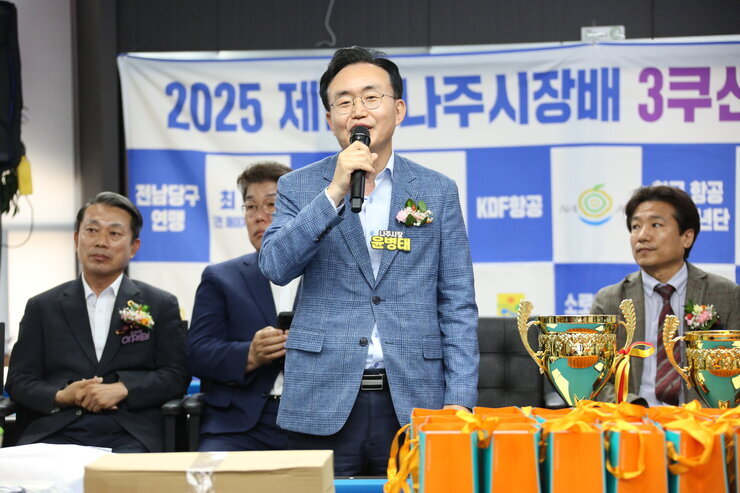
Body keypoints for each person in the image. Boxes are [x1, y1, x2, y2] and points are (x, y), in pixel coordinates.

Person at [259, 46, 479, 475]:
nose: (357, 110)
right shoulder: (298, 187)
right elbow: (275, 266)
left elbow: (457, 302)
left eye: (371, 97)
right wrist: (334, 192)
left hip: (416, 400)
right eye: (343, 101)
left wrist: (459, 401)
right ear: (330, 119)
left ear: (398, 110)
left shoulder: (437, 191)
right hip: (321, 396)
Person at [6, 192, 190, 452]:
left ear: (134, 247)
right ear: (76, 239)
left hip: (130, 432)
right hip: (57, 430)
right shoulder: (42, 306)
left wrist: (124, 389)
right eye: (92, 231)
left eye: (114, 234)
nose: (101, 242)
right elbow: (19, 380)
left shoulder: (159, 304)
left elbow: (176, 375)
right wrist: (62, 395)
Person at [592, 185, 739, 406]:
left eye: (656, 225)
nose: (642, 236)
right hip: (632, 418)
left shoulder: (725, 294)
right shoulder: (610, 300)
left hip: (703, 418)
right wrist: (632, 408)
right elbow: (595, 377)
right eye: (635, 226)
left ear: (686, 237)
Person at [186, 161, 295, 451]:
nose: (259, 216)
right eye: (251, 207)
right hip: (238, 426)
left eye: (271, 205)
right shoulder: (221, 278)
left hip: (313, 422)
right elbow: (197, 354)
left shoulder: (328, 275)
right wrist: (250, 354)